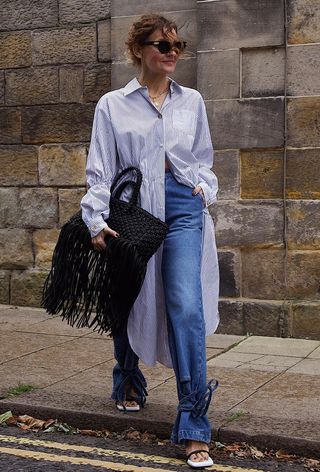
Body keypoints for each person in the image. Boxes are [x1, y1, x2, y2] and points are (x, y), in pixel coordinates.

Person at [81, 13, 220, 469]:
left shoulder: (192, 100)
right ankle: (127, 375)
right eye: (163, 45)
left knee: (185, 303)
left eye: (178, 45)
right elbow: (100, 169)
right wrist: (95, 219)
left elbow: (202, 159)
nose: (173, 52)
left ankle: (194, 420)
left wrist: (204, 188)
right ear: (139, 49)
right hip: (134, 211)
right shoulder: (112, 105)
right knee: (129, 297)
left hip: (181, 209)